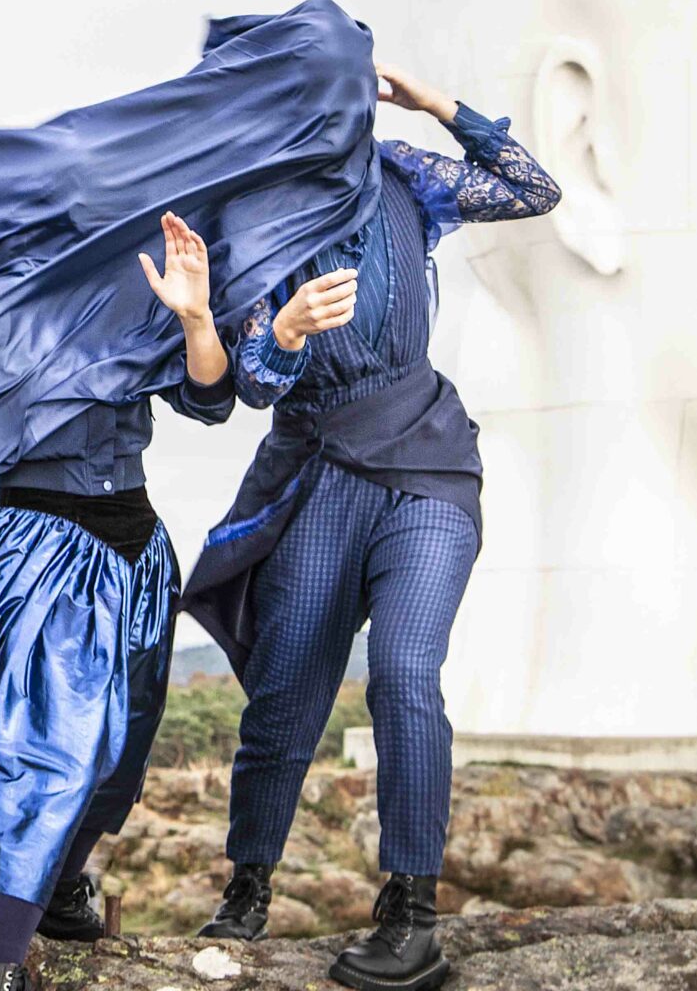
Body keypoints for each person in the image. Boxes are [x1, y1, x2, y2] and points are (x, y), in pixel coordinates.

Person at [181, 63, 559, 991]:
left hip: (429, 464)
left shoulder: (406, 174)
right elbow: (251, 390)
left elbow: (533, 189)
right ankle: (249, 885)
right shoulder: (253, 228)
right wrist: (289, 332)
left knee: (402, 669)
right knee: (287, 690)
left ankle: (411, 910)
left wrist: (437, 104)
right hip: (318, 475)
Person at [0, 213, 234, 991]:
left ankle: (64, 882)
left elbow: (210, 400)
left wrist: (195, 315)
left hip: (138, 559)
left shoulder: (134, 294)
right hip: (39, 554)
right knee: (49, 766)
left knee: (119, 765)